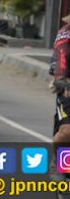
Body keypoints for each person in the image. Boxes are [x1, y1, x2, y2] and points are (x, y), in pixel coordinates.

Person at [52, 13, 70, 144]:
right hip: (67, 84)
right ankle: (56, 161)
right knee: (66, 132)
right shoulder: (65, 34)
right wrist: (61, 78)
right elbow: (61, 57)